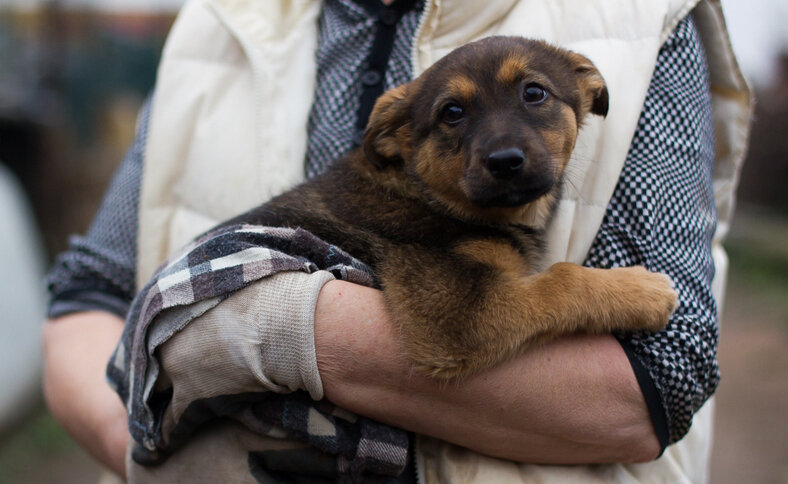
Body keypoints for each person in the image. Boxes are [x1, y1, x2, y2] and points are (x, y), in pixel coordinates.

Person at [42, 0, 751, 482]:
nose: (502, 146)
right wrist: (148, 454)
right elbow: (89, 291)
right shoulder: (218, 22)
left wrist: (280, 324)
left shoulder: (636, 20)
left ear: (585, 93)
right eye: (454, 117)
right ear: (394, 143)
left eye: (534, 96)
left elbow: (671, 371)